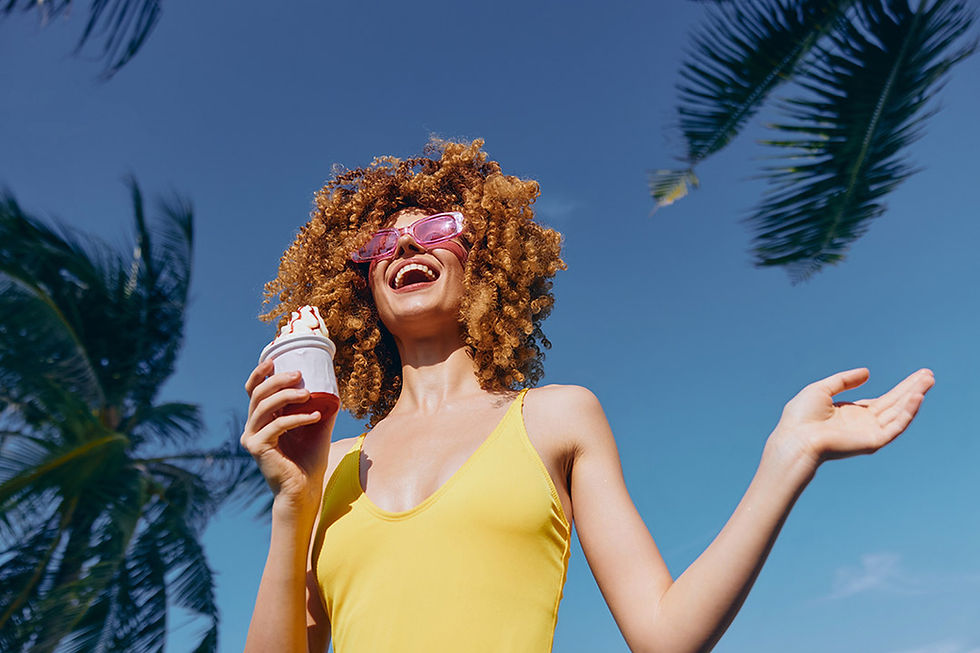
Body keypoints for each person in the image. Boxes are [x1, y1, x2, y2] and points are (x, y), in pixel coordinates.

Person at [240, 139, 934, 653]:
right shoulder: (330, 467)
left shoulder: (556, 418)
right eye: (381, 243)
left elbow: (664, 635)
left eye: (434, 229)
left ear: (485, 259)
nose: (403, 247)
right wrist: (291, 503)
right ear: (360, 287)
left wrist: (788, 457)